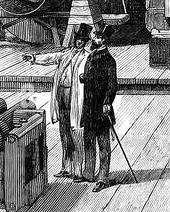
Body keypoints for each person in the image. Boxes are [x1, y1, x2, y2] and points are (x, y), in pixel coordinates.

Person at [23, 27, 92, 181]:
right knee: (64, 134)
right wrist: (34, 58)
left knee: (77, 136)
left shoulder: (88, 57)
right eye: (77, 39)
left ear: (86, 41)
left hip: (76, 101)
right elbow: (51, 58)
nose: (79, 42)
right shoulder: (66, 54)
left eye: (82, 40)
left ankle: (78, 171)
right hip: (62, 98)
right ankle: (66, 168)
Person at [80, 25, 120, 191]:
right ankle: (89, 172)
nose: (95, 39)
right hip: (89, 106)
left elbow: (112, 85)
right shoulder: (91, 57)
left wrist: (107, 102)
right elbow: (89, 76)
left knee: (103, 143)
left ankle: (103, 177)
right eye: (94, 36)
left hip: (101, 107)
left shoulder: (109, 60)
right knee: (88, 140)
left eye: (98, 37)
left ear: (104, 40)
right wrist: (84, 78)